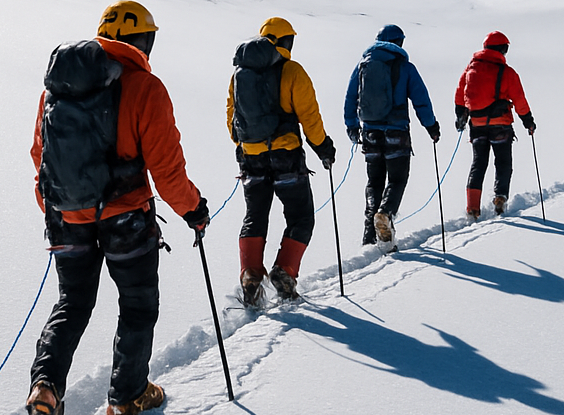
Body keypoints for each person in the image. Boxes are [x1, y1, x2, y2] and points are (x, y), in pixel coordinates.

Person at [25, 0, 209, 415]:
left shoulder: (58, 89)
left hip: (68, 220)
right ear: (144, 40)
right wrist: (194, 210)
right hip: (126, 219)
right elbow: (167, 172)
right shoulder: (146, 87)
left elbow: (40, 158)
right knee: (138, 304)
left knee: (72, 305)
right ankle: (127, 396)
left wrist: (62, 211)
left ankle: (45, 388)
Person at [228, 17, 336, 306]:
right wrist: (324, 148)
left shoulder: (240, 74)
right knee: (301, 217)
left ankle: (250, 274)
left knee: (255, 216)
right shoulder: (292, 71)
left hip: (252, 159)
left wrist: (246, 146)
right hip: (286, 157)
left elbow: (232, 119)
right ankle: (284, 272)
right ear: (286, 41)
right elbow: (309, 117)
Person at [344, 23, 440, 249]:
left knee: (374, 183)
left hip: (369, 132)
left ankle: (369, 238)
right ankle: (385, 215)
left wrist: (351, 125)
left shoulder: (362, 66)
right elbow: (420, 100)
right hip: (397, 131)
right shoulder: (405, 67)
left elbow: (351, 98)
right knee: (397, 180)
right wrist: (431, 126)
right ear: (399, 42)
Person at [454, 31, 536, 220]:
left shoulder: (470, 69)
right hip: (501, 125)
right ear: (502, 49)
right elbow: (519, 100)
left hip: (477, 124)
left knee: (478, 164)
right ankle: (500, 198)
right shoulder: (507, 72)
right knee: (503, 163)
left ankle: (472, 208)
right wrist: (528, 121)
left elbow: (460, 94)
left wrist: (460, 116)